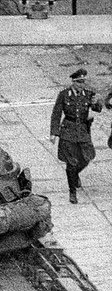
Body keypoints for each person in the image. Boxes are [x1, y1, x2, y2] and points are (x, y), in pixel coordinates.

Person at [50, 68, 102, 204]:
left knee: (88, 156)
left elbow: (98, 109)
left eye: (83, 82)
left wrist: (96, 103)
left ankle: (75, 175)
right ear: (73, 82)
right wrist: (54, 133)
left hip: (83, 131)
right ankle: (72, 191)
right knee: (71, 163)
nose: (81, 85)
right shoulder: (64, 94)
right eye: (79, 82)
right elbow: (56, 113)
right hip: (68, 131)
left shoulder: (89, 94)